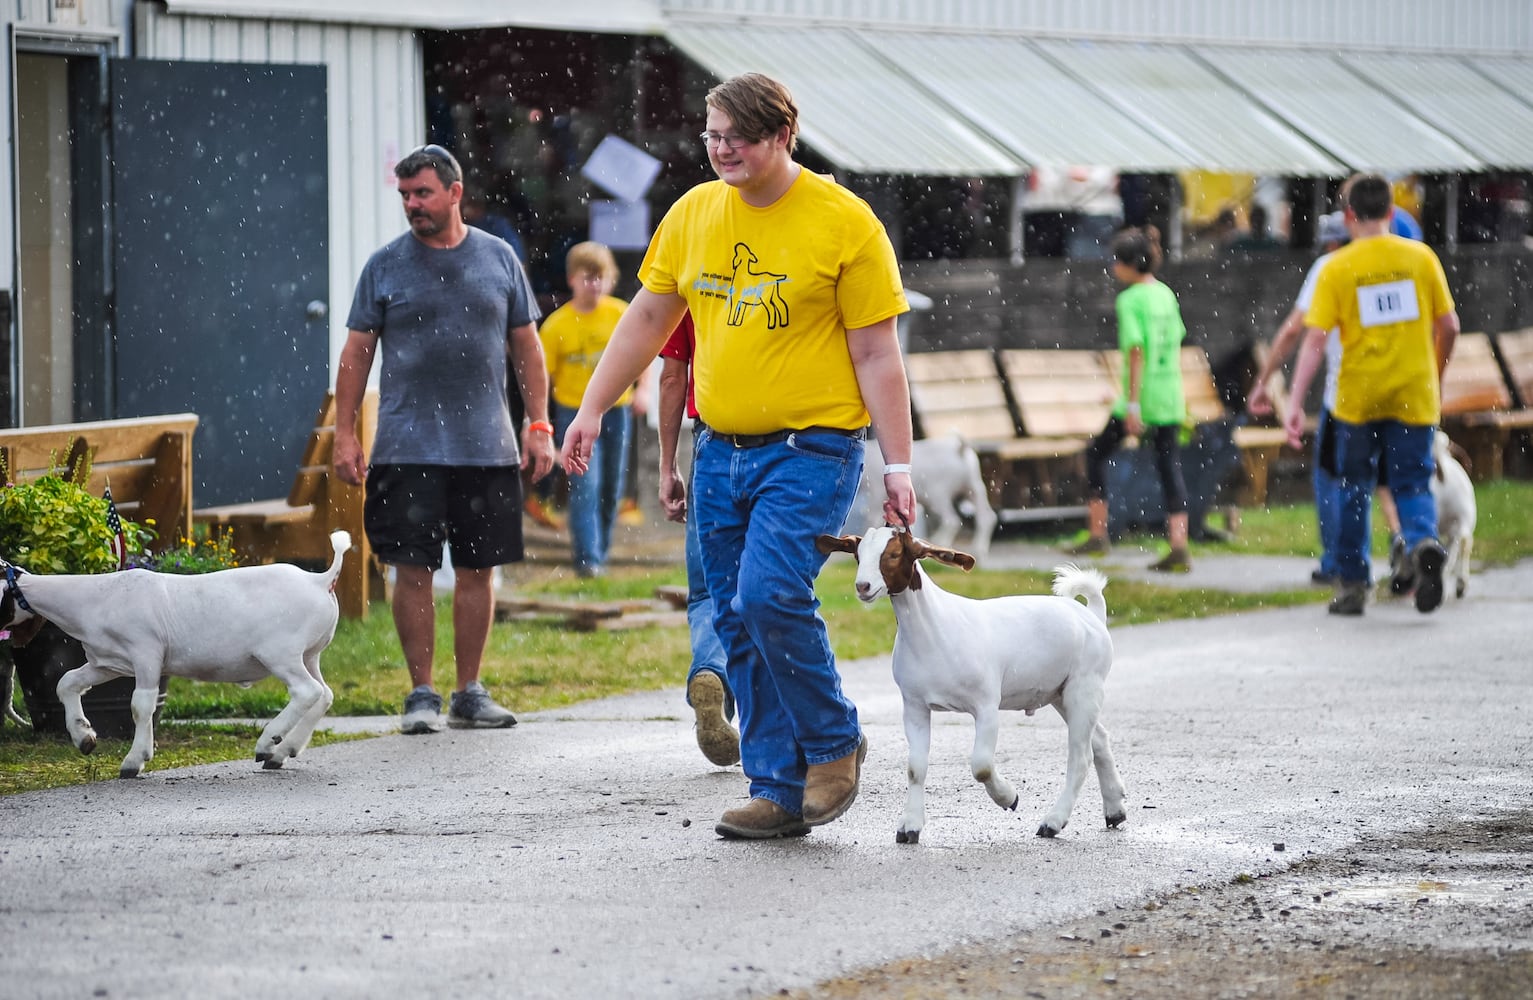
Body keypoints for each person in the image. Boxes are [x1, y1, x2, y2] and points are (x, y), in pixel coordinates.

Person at [558, 72, 915, 840]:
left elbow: (879, 356)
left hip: (811, 450)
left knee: (767, 597)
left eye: (738, 138)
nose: (722, 150)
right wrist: (589, 410)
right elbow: (648, 319)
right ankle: (777, 788)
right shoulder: (693, 213)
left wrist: (899, 466)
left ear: (782, 136)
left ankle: (833, 742)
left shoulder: (843, 222)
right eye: (712, 136)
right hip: (718, 449)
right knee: (732, 616)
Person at [333, 142, 556, 734]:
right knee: (412, 569)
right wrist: (345, 435)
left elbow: (527, 348)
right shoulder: (385, 265)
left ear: (455, 193)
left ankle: (470, 691)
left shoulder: (498, 258)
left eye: (423, 193)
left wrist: (539, 425)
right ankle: (421, 694)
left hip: (486, 446)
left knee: (479, 570)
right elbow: (357, 354)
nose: (412, 205)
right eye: (405, 195)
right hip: (407, 446)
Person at [1283, 173, 1460, 616]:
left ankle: (1352, 585)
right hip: (1413, 395)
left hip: (1357, 400)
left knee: (1353, 488)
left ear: (1348, 217)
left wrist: (1293, 400)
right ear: (1391, 212)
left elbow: (1315, 340)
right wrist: (1435, 374)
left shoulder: (1337, 267)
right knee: (1412, 481)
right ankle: (1421, 541)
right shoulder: (1421, 258)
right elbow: (1451, 326)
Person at [1068, 225, 1193, 572]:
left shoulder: (1129, 300)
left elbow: (1136, 351)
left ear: (1128, 264)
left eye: (1115, 261)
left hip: (1142, 396)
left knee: (1095, 455)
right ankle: (1179, 544)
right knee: (1170, 466)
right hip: (1169, 393)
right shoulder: (1166, 294)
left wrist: (1133, 403)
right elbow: (1175, 339)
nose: (1112, 267)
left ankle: (1097, 533)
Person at [657, 312, 738, 767]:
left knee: (709, 590)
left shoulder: (692, 278)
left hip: (712, 442)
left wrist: (668, 465)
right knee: (772, 590)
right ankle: (781, 726)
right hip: (786, 447)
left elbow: (673, 378)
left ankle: (710, 670)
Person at [540, 241, 636, 577]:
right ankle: (588, 560)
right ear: (571, 280)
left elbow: (644, 350)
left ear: (611, 280)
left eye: (601, 278)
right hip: (573, 411)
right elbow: (541, 375)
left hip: (618, 409)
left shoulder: (622, 314)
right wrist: (540, 420)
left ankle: (601, 550)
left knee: (612, 487)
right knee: (585, 484)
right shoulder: (557, 325)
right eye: (587, 278)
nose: (594, 285)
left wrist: (644, 391)